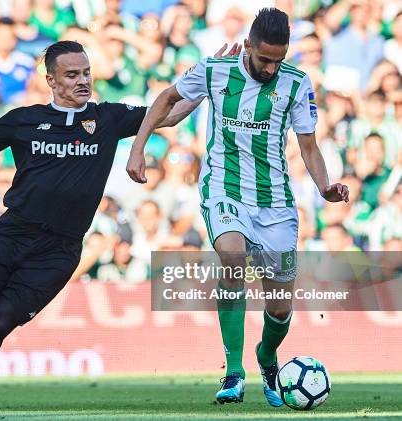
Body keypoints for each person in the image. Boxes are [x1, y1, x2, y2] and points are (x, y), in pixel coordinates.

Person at [0, 39, 238, 412]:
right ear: (51, 80)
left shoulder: (109, 117)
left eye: (86, 72)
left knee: (0, 324)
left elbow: (172, 113)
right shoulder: (24, 120)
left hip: (60, 250)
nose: (83, 81)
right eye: (72, 74)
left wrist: (207, 78)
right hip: (12, 233)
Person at [126, 8, 349, 407]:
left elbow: (309, 147)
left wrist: (325, 187)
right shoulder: (215, 70)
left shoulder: (297, 83)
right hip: (224, 190)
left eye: (278, 60)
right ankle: (234, 371)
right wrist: (138, 148)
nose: (270, 67)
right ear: (247, 45)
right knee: (232, 256)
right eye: (264, 59)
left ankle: (266, 357)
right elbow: (166, 100)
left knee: (279, 306)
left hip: (276, 203)